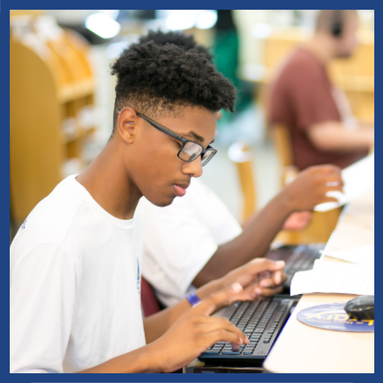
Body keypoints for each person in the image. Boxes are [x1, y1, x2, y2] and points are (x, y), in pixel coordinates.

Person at [10, 37, 292, 374]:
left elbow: (117, 346)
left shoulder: (126, 212)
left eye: (203, 151)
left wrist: (213, 295)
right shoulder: (58, 240)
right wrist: (152, 358)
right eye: (187, 146)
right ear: (129, 125)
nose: (196, 168)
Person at [134, 30, 344, 308]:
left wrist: (268, 219)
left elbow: (213, 242)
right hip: (214, 314)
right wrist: (285, 201)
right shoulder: (157, 186)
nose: (218, 108)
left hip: (232, 299)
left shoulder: (184, 163)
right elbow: (212, 272)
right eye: (201, 95)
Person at [267, 10, 374, 171]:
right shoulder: (304, 69)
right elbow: (323, 135)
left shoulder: (312, 62)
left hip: (336, 164)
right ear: (335, 29)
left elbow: (337, 124)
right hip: (324, 174)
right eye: (354, 31)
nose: (357, 41)